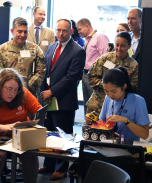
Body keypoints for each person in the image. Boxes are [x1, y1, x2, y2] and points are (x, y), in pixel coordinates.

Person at [0, 68, 42, 183]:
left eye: (16, 90)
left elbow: (39, 111)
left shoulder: (23, 94)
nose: (12, 94)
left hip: (17, 135)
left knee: (31, 156)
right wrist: (9, 127)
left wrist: (33, 126)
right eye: (9, 89)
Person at [39, 19, 86, 180]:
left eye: (64, 31)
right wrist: (44, 92)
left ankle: (62, 168)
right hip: (48, 98)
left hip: (64, 100)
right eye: (58, 30)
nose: (60, 33)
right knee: (49, 132)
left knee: (63, 135)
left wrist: (51, 92)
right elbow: (47, 72)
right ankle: (49, 163)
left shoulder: (78, 51)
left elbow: (71, 78)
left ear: (71, 32)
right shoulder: (52, 47)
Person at [85, 67, 149, 141]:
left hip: (128, 147)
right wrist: (91, 120)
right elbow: (102, 123)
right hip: (108, 145)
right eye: (106, 91)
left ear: (124, 86)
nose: (110, 95)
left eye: (114, 92)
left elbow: (145, 135)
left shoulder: (138, 101)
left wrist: (126, 120)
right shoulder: (108, 98)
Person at [86, 32, 138, 116]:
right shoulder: (105, 59)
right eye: (117, 45)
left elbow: (134, 88)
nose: (119, 48)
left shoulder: (134, 65)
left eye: (123, 46)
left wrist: (119, 87)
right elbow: (91, 77)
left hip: (119, 108)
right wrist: (107, 85)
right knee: (90, 128)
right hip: (97, 105)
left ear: (129, 46)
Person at [0, 17, 46, 96]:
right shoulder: (1, 50)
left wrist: (26, 87)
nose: (23, 35)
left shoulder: (35, 49)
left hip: (28, 94)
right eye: (19, 32)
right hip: (7, 95)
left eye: (25, 32)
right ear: (12, 31)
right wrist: (11, 88)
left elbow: (41, 71)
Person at [77, 18, 109, 115]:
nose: (78, 32)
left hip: (96, 77)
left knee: (96, 107)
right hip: (86, 75)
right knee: (88, 105)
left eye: (80, 29)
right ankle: (88, 128)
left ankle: (97, 128)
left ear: (87, 26)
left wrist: (103, 78)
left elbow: (106, 58)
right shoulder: (87, 40)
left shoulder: (100, 37)